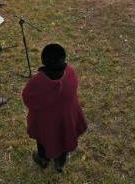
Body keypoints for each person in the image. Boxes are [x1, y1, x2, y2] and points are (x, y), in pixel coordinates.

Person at [23, 44, 87, 173]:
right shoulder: (70, 72)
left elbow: (27, 98)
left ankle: (43, 159)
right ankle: (60, 163)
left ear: (43, 61)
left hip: (44, 122)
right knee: (63, 137)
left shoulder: (38, 81)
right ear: (63, 59)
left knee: (43, 139)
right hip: (66, 118)